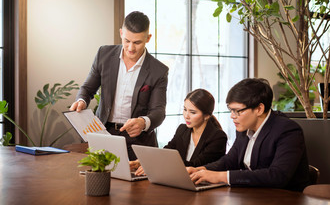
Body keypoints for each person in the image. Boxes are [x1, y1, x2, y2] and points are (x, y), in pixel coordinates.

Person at [69, 11, 169, 160]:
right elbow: (88, 89)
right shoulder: (104, 54)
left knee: (135, 184)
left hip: (139, 141)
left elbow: (158, 111)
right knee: (100, 181)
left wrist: (143, 122)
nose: (130, 48)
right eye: (127, 40)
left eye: (137, 42)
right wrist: (81, 101)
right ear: (121, 33)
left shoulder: (158, 70)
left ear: (148, 38)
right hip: (104, 133)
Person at [188, 78, 310, 191]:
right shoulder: (243, 128)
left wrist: (221, 176)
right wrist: (201, 170)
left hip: (284, 198)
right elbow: (230, 160)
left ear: (259, 109)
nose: (232, 116)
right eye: (231, 110)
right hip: (253, 195)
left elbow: (277, 176)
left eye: (237, 111)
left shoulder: (287, 131)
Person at [131, 89, 227, 175]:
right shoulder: (182, 129)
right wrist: (144, 161)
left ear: (206, 115)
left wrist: (155, 165)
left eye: (192, 112)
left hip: (204, 186)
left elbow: (195, 165)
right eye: (185, 109)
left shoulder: (218, 137)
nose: (186, 115)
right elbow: (167, 151)